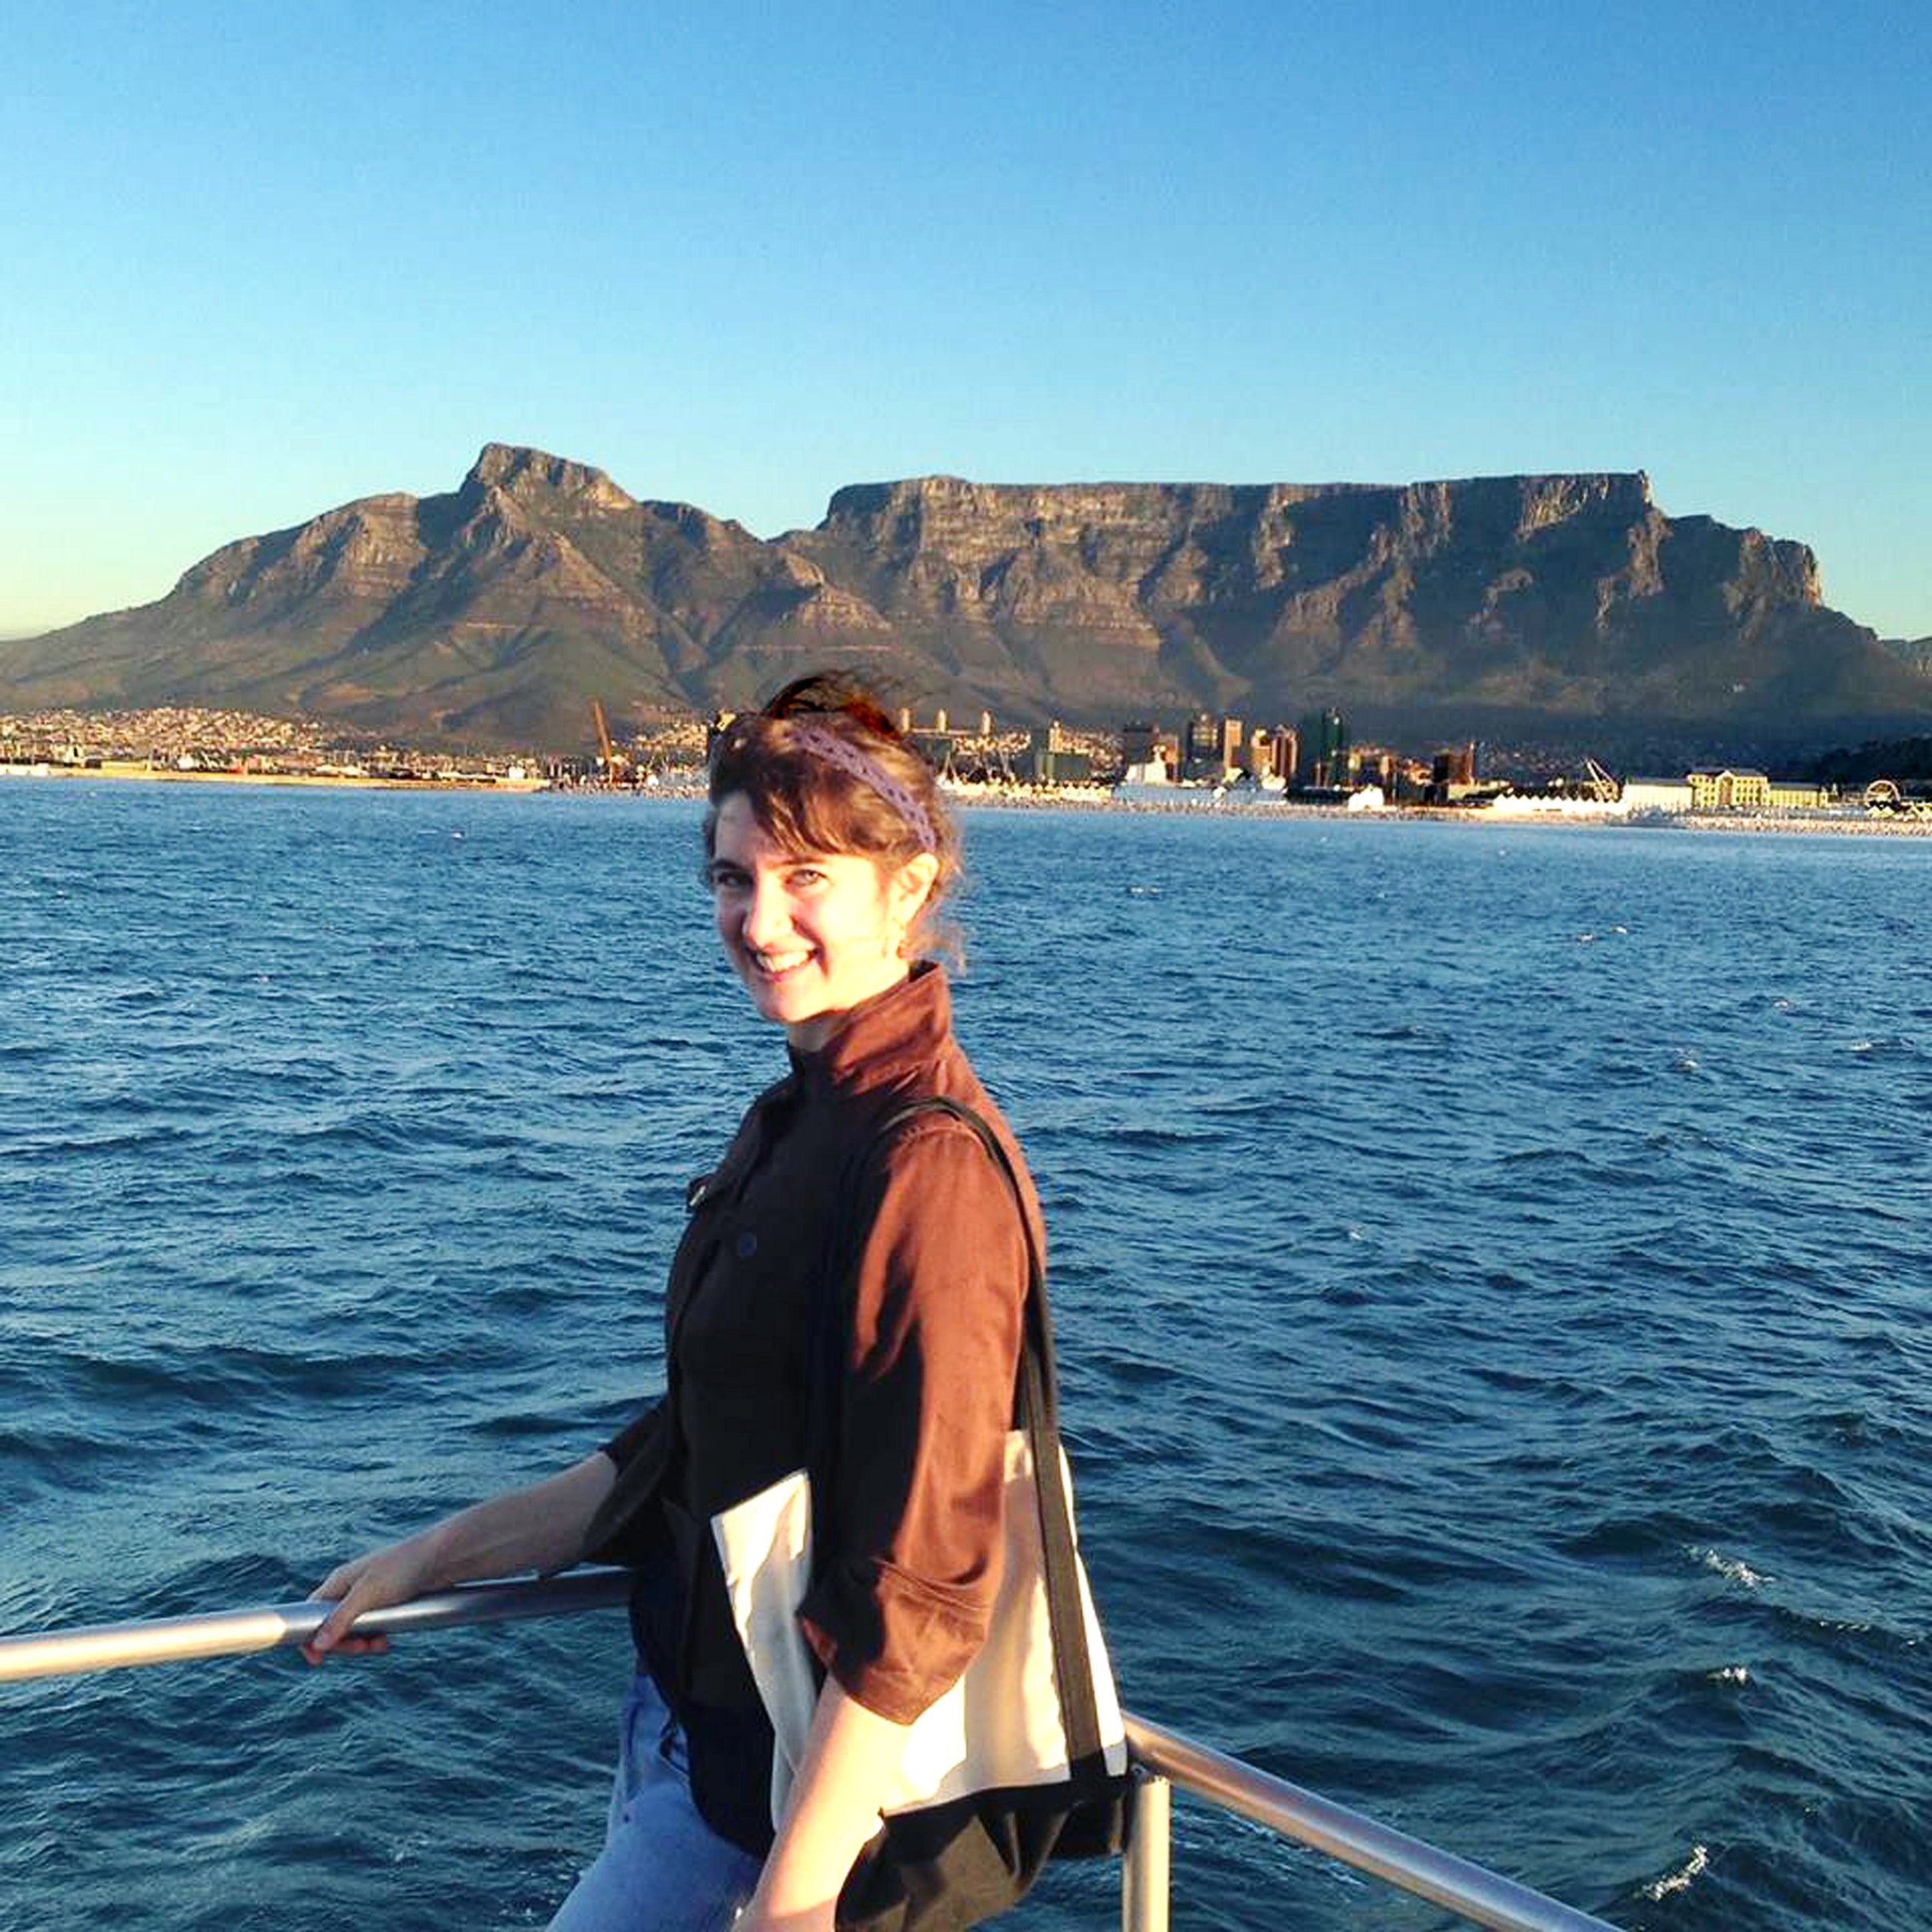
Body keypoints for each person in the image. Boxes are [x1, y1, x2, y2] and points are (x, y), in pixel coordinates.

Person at [306, 673, 1043, 1932]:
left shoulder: (922, 1164)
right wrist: (438, 1556)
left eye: (806, 877)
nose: (760, 921)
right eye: (731, 877)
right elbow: (688, 1451)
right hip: (690, 1751)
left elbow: (923, 1581)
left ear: (907, 888)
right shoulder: (801, 1117)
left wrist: (796, 1896)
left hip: (777, 1824)